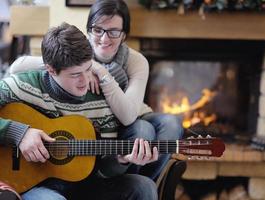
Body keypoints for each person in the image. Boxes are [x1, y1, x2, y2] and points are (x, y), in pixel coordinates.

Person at [9, 0, 184, 181]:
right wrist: (83, 66)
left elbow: (129, 116)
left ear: (124, 35)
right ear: (88, 29)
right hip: (103, 119)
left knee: (170, 123)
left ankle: (147, 182)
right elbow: (16, 67)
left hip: (132, 112)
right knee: (144, 131)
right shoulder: (76, 53)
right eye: (98, 30)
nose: (104, 38)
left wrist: (101, 73)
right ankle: (130, 184)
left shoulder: (136, 61)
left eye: (114, 32)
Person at [0, 22, 158, 200]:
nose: (85, 80)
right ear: (51, 70)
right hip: (35, 184)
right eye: (75, 74)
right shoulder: (19, 86)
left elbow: (103, 171)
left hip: (88, 185)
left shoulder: (102, 100)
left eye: (88, 69)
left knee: (144, 187)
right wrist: (19, 133)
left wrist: (121, 160)